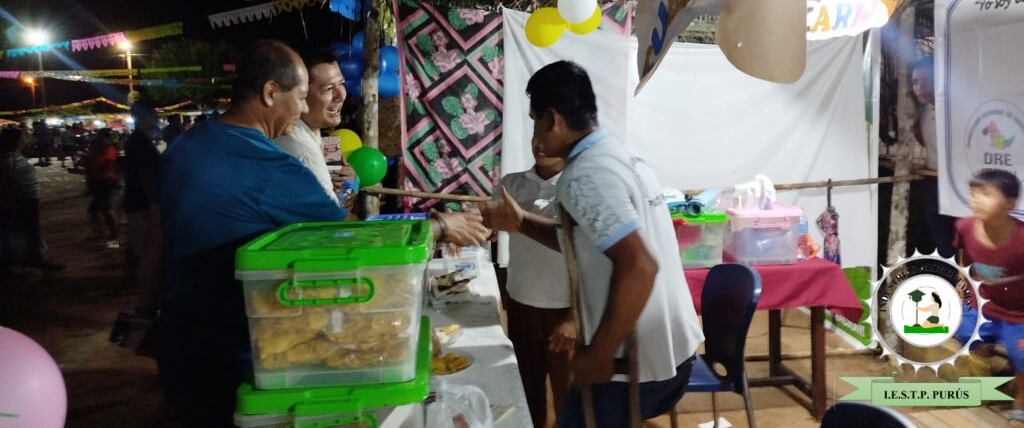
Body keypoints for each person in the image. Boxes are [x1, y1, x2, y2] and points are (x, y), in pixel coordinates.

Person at [156, 40, 487, 427]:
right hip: (242, 351)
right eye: (300, 97)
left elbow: (157, 236)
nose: (300, 110)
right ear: (270, 92)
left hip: (176, 339)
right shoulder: (275, 168)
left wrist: (144, 317)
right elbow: (352, 242)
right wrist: (440, 226)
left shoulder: (186, 144)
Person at [482, 61, 703, 427]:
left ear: (553, 119)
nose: (535, 134)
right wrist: (521, 222)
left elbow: (641, 266)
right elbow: (584, 241)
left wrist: (600, 352)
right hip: (675, 347)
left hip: (637, 358)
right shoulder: (621, 157)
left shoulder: (584, 175)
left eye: (536, 121)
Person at [498, 137, 574, 427]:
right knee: (526, 393)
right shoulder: (512, 184)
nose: (539, 144)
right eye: (535, 136)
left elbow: (591, 259)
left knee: (568, 396)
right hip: (521, 303)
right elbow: (488, 222)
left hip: (562, 309)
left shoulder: (576, 187)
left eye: (549, 138)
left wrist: (575, 319)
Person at [953, 169, 1024, 428]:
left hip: (1019, 313)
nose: (976, 200)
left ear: (1009, 203)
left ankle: (1020, 403)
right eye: (973, 194)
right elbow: (965, 257)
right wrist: (962, 283)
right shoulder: (964, 226)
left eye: (986, 194)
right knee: (962, 330)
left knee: (1023, 359)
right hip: (983, 303)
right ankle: (994, 359)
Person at [274, 47, 357, 207]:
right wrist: (351, 190)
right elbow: (334, 217)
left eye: (341, 84)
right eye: (328, 89)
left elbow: (342, 199)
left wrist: (350, 184)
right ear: (301, 94)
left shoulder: (326, 139)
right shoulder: (302, 150)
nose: (341, 95)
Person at [0, 126, 62, 271]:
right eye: (24, 136)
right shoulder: (7, 158)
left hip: (27, 199)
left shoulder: (16, 156)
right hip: (19, 200)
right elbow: (3, 181)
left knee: (27, 232)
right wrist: (6, 199)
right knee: (28, 232)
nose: (27, 138)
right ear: (17, 140)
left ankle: (29, 261)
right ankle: (39, 262)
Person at [912, 58, 956, 257]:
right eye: (915, 82)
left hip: (957, 183)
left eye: (926, 80)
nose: (919, 88)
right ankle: (950, 270)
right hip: (933, 181)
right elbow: (924, 141)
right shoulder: (922, 111)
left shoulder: (954, 110)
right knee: (941, 238)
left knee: (960, 235)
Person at [123, 99, 162, 290]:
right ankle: (143, 287)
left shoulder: (139, 140)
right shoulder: (140, 143)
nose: (157, 119)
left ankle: (138, 281)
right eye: (153, 115)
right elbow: (146, 177)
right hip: (142, 203)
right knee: (145, 247)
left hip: (137, 201)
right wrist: (155, 204)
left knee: (140, 245)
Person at [85, 128, 121, 249]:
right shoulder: (100, 148)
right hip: (99, 180)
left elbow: (102, 163)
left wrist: (90, 161)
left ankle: (108, 234)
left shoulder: (108, 149)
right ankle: (107, 233)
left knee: (101, 208)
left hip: (105, 181)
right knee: (102, 209)